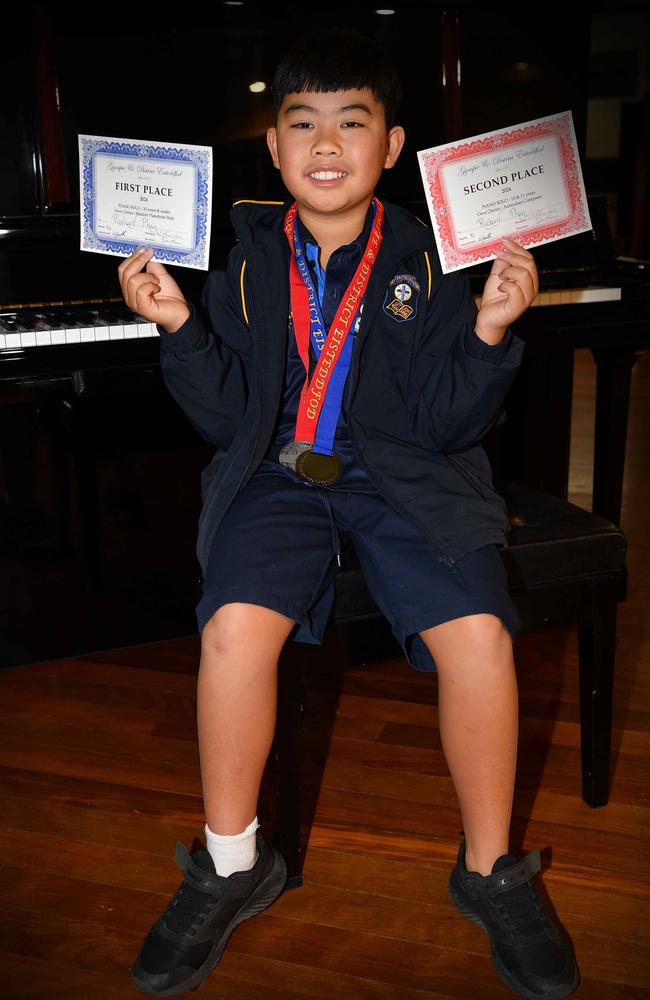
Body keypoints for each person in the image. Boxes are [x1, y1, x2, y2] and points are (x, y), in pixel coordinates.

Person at [118, 26, 579, 1000]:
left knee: (479, 638)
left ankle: (490, 868)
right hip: (278, 474)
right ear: (276, 150)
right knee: (233, 631)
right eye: (303, 124)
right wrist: (176, 324)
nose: (326, 143)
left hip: (406, 476)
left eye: (351, 121)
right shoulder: (245, 256)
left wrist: (491, 326)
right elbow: (220, 411)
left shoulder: (432, 254)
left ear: (391, 144)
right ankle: (234, 863)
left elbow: (451, 416)